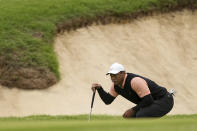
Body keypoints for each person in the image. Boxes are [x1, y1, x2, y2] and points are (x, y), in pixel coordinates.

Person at [91, 62, 174, 118]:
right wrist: (100, 89)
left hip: (165, 100)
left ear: (123, 73)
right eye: (111, 76)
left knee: (141, 115)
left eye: (115, 75)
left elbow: (148, 99)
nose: (113, 78)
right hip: (153, 102)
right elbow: (107, 100)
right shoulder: (116, 86)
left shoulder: (134, 81)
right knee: (131, 117)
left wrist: (133, 110)